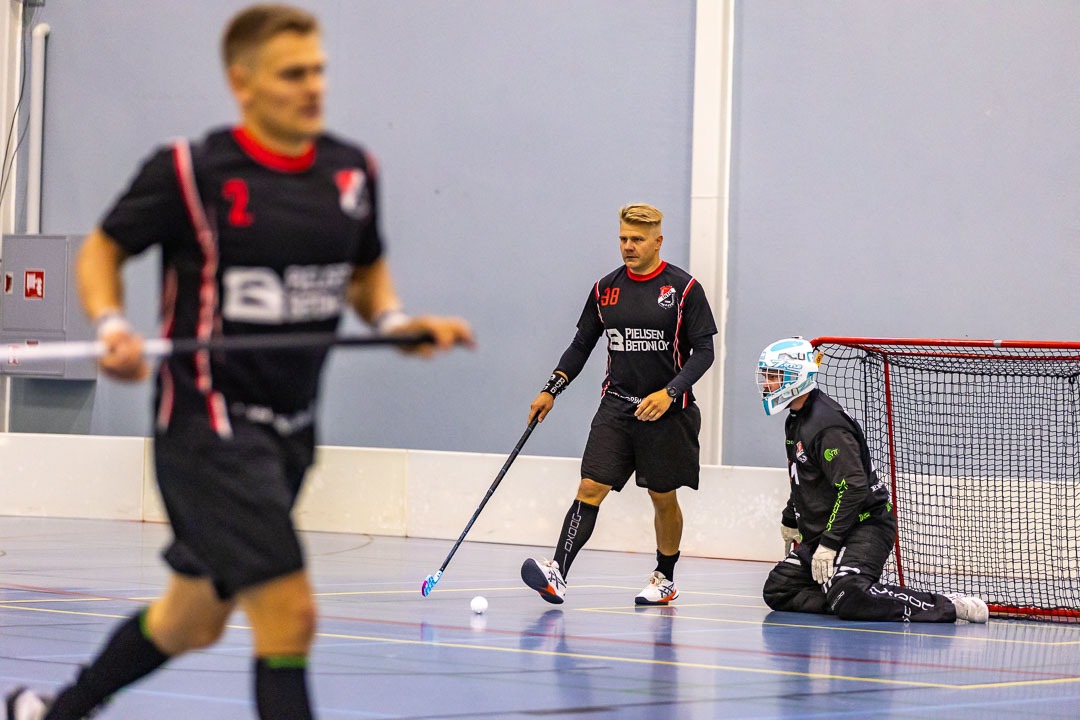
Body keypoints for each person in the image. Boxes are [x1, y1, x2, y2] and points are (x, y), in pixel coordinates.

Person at [4, 5, 472, 720]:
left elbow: (364, 272)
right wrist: (111, 324)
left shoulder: (352, 172)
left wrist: (394, 323)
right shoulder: (190, 172)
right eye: (292, 74)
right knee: (291, 616)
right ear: (242, 82)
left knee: (190, 620)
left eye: (318, 71)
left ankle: (52, 713)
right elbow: (103, 250)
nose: (313, 87)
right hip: (207, 430)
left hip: (291, 434)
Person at [520, 203, 717, 606]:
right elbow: (581, 345)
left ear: (658, 241)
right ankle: (558, 572)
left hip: (667, 412)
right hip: (616, 407)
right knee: (590, 486)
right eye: (624, 238)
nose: (628, 246)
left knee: (662, 496)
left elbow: (704, 352)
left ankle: (665, 577)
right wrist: (551, 389)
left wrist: (670, 392)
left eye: (637, 240)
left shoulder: (684, 289)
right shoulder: (605, 290)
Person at [756, 337, 988, 623]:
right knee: (779, 590)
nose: (766, 384)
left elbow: (854, 487)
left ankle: (947, 605)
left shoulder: (826, 426)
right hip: (827, 531)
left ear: (796, 376)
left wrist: (829, 544)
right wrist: (790, 518)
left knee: (849, 593)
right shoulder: (796, 418)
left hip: (865, 526)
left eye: (773, 376)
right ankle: (843, 597)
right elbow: (804, 476)